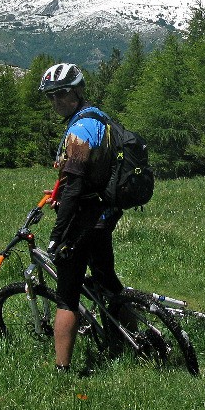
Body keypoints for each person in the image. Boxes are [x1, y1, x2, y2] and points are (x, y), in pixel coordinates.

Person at [38, 61, 123, 372]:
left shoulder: (80, 129)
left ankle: (62, 369)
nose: (56, 101)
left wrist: (56, 235)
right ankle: (124, 340)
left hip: (84, 216)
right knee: (106, 281)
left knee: (67, 294)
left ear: (75, 92)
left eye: (61, 94)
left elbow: (74, 187)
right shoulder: (99, 118)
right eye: (51, 96)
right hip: (103, 212)